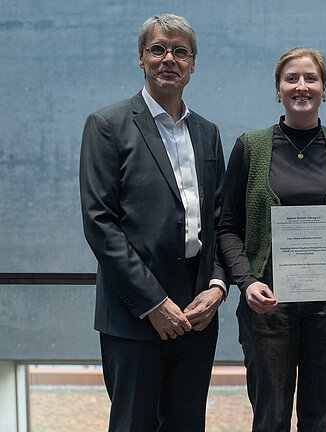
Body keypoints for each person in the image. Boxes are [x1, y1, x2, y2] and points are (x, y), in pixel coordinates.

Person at [79, 14, 228, 432]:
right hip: (134, 312)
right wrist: (153, 303)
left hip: (197, 312)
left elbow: (219, 222)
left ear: (193, 64)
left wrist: (216, 288)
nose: (169, 59)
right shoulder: (107, 125)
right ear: (141, 58)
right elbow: (99, 224)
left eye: (180, 51)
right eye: (158, 49)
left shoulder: (208, 133)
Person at [217, 47, 326, 432]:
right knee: (270, 417)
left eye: (311, 79)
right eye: (291, 79)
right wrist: (246, 283)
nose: (302, 86)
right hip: (268, 303)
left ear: (325, 89)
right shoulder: (250, 147)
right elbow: (227, 227)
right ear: (278, 89)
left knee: (321, 418)